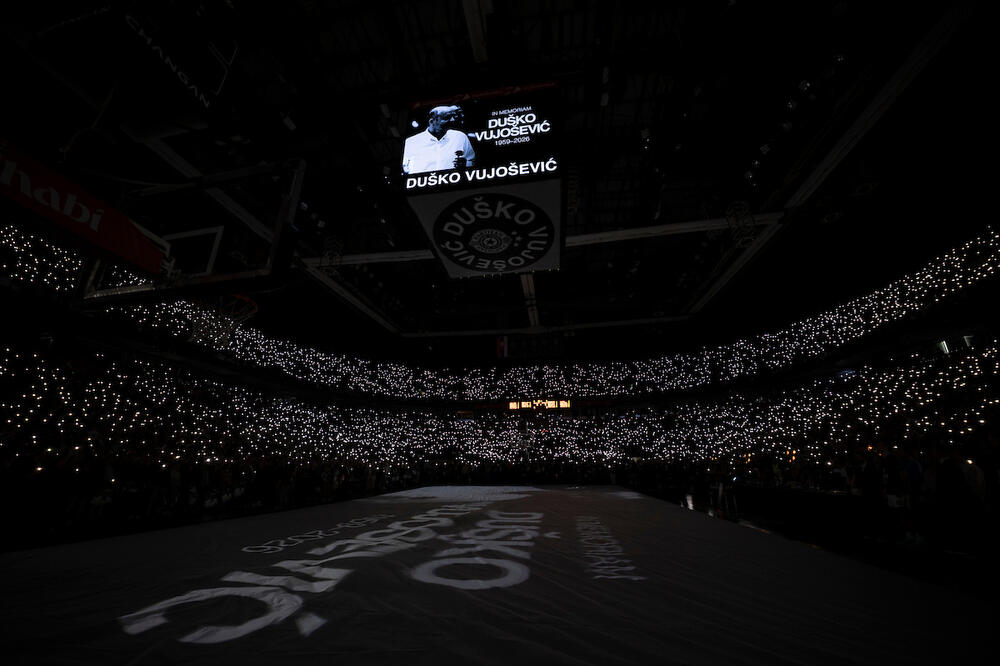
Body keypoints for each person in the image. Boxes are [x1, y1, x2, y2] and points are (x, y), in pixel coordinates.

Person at [402, 105, 476, 174]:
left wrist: (466, 164)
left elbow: (472, 161)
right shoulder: (411, 142)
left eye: (452, 117)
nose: (452, 120)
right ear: (432, 121)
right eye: (447, 117)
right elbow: (405, 168)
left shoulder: (460, 137)